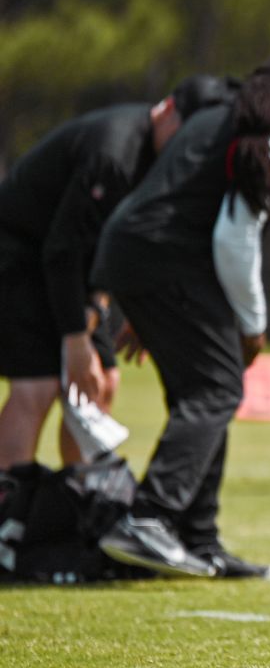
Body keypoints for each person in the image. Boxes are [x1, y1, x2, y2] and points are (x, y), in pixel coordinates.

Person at [93, 46, 270, 578]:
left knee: (200, 390)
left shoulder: (233, 118)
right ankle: (149, 519)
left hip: (141, 254)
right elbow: (234, 237)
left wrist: (147, 297)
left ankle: (197, 540)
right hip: (162, 259)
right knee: (218, 389)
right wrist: (253, 325)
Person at [0, 75, 233, 474]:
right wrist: (76, 339)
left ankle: (73, 502)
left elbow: (117, 244)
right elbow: (63, 248)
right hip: (17, 258)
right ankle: (7, 515)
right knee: (38, 385)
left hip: (67, 272)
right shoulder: (114, 151)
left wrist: (106, 309)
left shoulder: (162, 163)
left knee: (102, 381)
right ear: (167, 110)